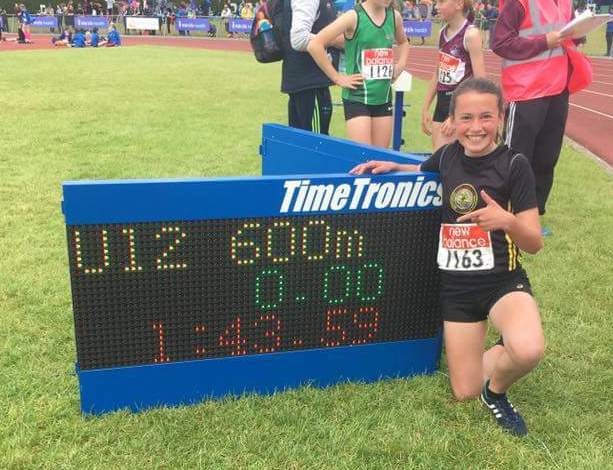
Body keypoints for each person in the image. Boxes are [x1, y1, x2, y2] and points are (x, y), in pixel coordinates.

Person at [350, 78, 544, 437]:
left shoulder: (515, 164)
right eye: (466, 118)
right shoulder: (448, 156)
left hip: (502, 282)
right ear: (452, 121)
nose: (476, 127)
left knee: (529, 350)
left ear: (500, 118)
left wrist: (506, 220)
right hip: (457, 290)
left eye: (486, 117)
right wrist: (390, 165)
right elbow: (423, 171)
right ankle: (504, 349)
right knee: (464, 391)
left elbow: (533, 242)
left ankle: (496, 392)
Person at [492, 0, 578, 222]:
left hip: (557, 89)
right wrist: (544, 42)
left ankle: (534, 216)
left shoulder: (566, 2)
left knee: (546, 157)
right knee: (515, 156)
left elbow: (571, 33)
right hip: (526, 90)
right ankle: (506, 212)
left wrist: (580, 31)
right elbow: (500, 42)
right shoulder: (519, 2)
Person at [307, 0, 409, 148]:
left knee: (379, 157)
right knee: (363, 157)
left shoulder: (394, 17)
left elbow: (404, 42)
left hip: (383, 98)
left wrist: (400, 65)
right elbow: (315, 45)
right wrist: (337, 78)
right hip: (357, 98)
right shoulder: (353, 17)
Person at [421, 0, 485, 151]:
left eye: (441, 2)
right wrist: (425, 107)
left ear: (459, 4)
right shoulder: (442, 33)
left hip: (461, 106)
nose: (436, 7)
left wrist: (458, 115)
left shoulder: (471, 34)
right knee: (438, 156)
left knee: (449, 159)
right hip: (442, 104)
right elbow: (438, 72)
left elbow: (481, 83)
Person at [281, 0, 338, 135]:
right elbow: (299, 38)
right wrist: (335, 41)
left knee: (302, 139)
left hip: (307, 81)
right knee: (315, 140)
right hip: (310, 82)